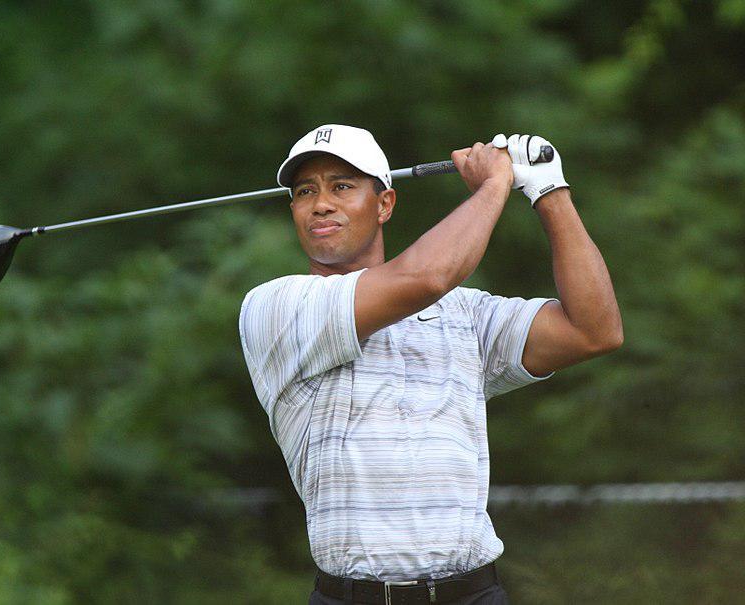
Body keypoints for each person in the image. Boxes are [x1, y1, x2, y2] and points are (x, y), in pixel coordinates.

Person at [238, 124, 623, 604]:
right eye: (304, 192)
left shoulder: (463, 313)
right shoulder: (276, 306)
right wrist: (495, 184)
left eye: (341, 186)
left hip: (474, 593)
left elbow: (594, 330)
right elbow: (425, 276)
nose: (320, 204)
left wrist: (549, 190)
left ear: (384, 205)